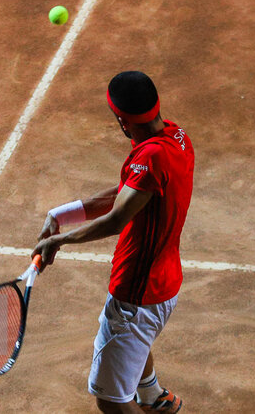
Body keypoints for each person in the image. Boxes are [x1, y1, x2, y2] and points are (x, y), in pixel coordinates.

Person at [32, 71, 194, 413]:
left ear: (122, 121)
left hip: (137, 294)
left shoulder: (150, 159)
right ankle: (152, 396)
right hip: (163, 282)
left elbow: (118, 218)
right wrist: (62, 213)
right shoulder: (176, 137)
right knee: (134, 343)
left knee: (112, 401)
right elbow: (129, 194)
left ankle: (146, 398)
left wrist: (59, 240)